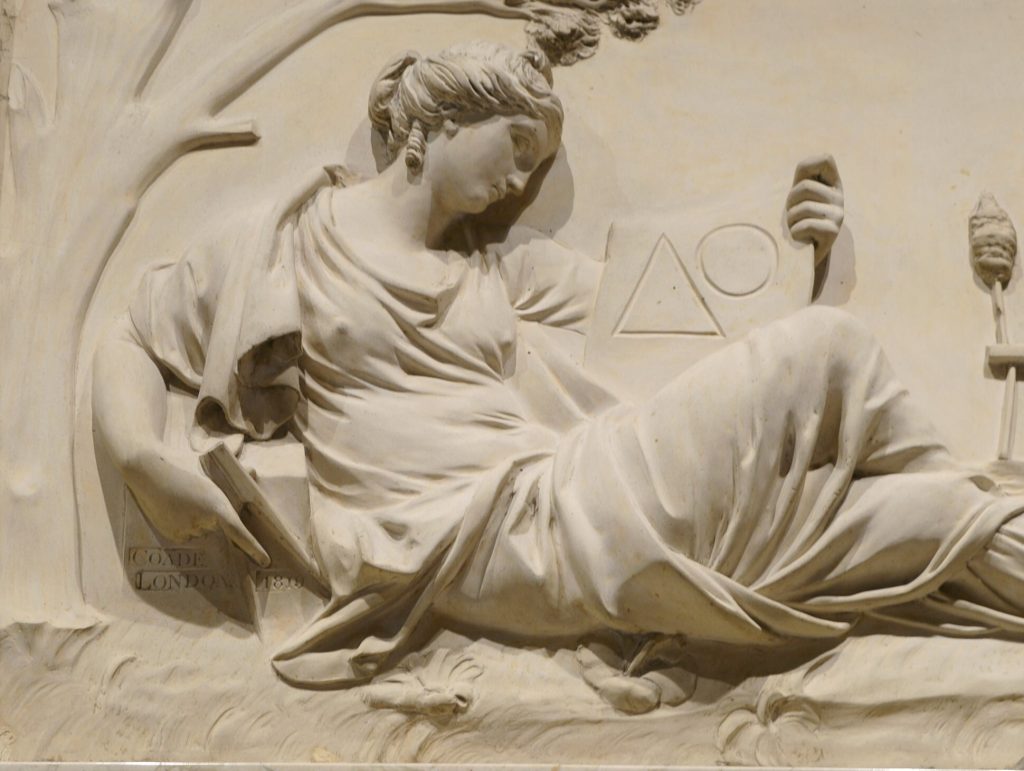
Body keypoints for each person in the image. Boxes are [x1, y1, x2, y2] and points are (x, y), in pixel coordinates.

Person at [93, 41, 1024, 692]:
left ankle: (972, 504)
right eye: (516, 148)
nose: (520, 181)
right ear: (443, 119)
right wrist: (140, 456)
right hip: (485, 535)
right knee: (833, 348)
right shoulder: (290, 244)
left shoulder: (500, 271)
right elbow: (133, 336)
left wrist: (800, 251)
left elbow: (685, 326)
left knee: (932, 518)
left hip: (561, 490)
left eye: (535, 166)